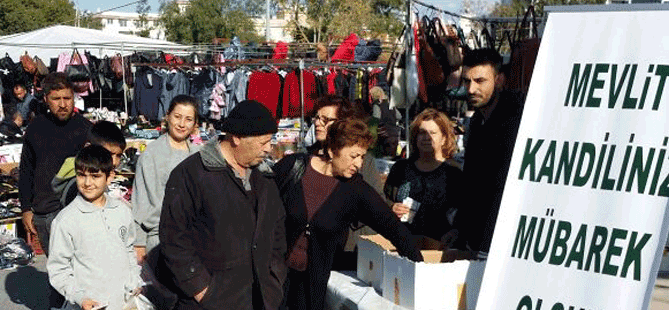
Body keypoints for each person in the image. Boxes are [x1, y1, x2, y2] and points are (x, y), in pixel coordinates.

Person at [274, 119, 424, 310]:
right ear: (331, 150)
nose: (359, 164)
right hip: (271, 282)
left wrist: (421, 272)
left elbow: (395, 230)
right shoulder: (292, 168)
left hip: (310, 294)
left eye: (362, 157)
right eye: (354, 156)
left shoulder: (356, 190)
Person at [159, 100, 287, 310]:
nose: (268, 148)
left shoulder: (264, 178)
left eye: (270, 141)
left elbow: (278, 230)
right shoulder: (191, 174)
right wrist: (201, 289)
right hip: (209, 301)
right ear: (236, 137)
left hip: (259, 298)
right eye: (263, 142)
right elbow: (173, 238)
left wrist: (274, 275)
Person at [47, 145, 142, 310]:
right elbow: (58, 269)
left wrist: (135, 281)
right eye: (81, 175)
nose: (87, 183)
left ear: (110, 176)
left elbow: (128, 250)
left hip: (123, 302)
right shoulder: (66, 220)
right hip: (90, 305)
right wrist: (79, 297)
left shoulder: (122, 211)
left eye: (95, 176)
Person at [457, 48, 525, 252]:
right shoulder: (477, 120)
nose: (470, 89)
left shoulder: (518, 118)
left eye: (480, 81)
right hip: (479, 236)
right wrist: (461, 228)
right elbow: (471, 180)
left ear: (499, 80)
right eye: (467, 81)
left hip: (507, 234)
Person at [19, 72, 92, 257]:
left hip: (77, 211)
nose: (62, 104)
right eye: (56, 98)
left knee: (81, 269)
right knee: (56, 273)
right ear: (46, 99)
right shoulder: (35, 128)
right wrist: (26, 209)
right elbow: (26, 170)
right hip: (44, 212)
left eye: (67, 98)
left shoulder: (85, 129)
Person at [132, 95, 200, 263]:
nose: (182, 124)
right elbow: (141, 201)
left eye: (188, 119)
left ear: (194, 124)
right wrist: (139, 243)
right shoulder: (151, 155)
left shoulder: (199, 155)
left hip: (194, 238)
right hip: (160, 237)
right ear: (167, 116)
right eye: (177, 117)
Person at [383, 108, 463, 241]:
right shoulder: (400, 169)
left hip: (438, 248)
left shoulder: (453, 174)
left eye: (432, 133)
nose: (426, 137)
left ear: (444, 138)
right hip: (402, 243)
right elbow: (384, 198)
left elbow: (463, 214)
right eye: (421, 133)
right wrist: (392, 207)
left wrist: (454, 232)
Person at [52, 120, 127, 208]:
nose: (114, 162)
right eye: (108, 154)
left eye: (118, 155)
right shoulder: (79, 186)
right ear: (88, 148)